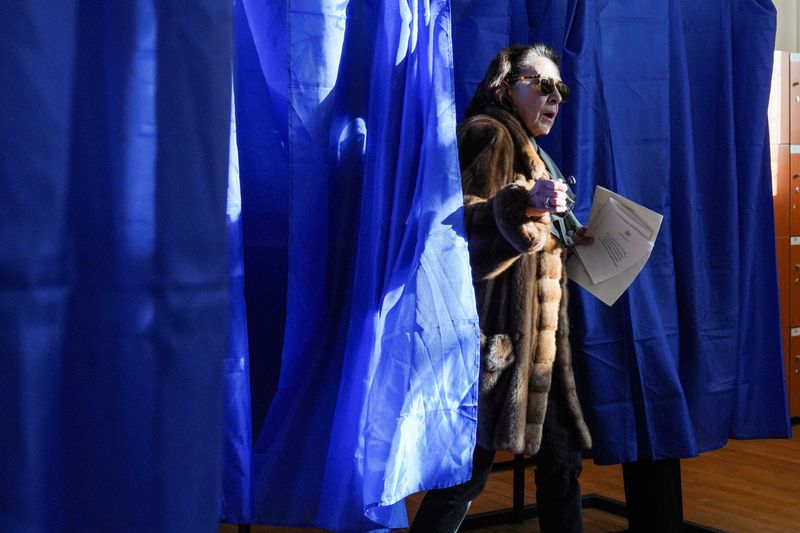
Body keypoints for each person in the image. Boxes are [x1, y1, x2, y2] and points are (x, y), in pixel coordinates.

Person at [409, 43, 593, 533]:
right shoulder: (489, 134)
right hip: (497, 344)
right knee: (466, 477)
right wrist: (521, 207)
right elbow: (456, 230)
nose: (555, 97)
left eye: (562, 88)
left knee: (562, 463)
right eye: (543, 84)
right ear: (505, 86)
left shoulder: (536, 153)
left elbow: (534, 246)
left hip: (540, 349)